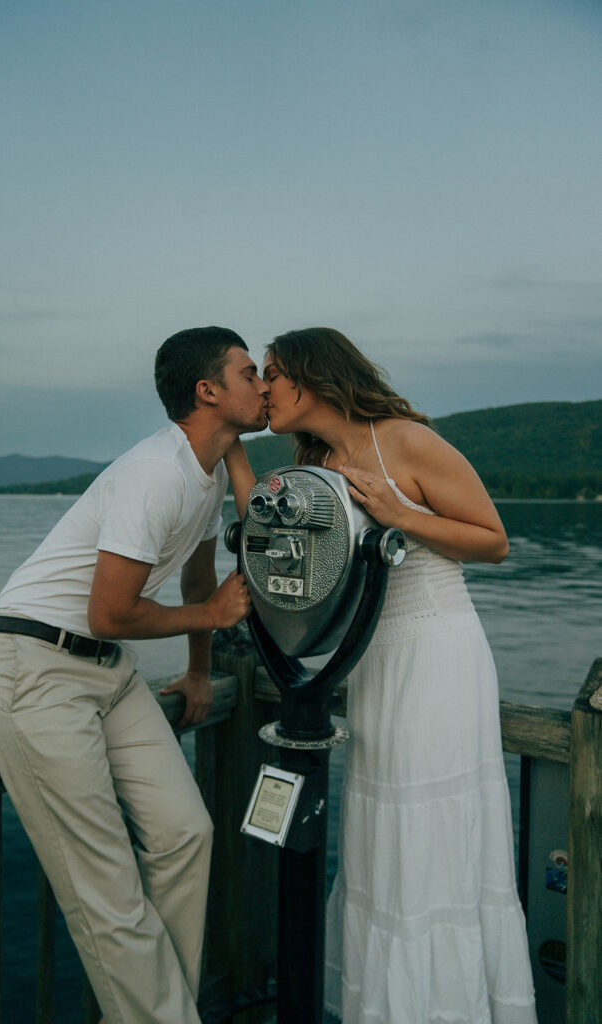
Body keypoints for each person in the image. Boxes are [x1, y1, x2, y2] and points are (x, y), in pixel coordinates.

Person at [225, 327, 537, 1024]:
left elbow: (492, 540)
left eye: (272, 373)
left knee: (429, 830)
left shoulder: (406, 441)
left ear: (311, 377)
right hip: (373, 661)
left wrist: (399, 514)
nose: (265, 388)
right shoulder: (321, 461)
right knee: (381, 834)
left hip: (435, 651)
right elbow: (263, 525)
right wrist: (231, 451)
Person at [0, 326, 270, 1024]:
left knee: (185, 834)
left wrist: (199, 673)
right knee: (106, 889)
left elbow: (200, 572)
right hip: (35, 668)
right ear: (208, 390)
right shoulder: (155, 473)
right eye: (249, 372)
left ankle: (152, 1011)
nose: (264, 384)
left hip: (109, 673)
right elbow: (110, 611)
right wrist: (212, 616)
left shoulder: (204, 470)